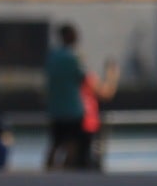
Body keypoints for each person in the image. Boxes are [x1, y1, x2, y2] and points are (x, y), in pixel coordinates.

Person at [43, 24, 119, 171]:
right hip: (73, 112)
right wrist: (112, 76)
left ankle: (47, 176)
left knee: (55, 144)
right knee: (73, 146)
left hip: (55, 110)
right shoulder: (74, 59)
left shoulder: (52, 57)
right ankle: (67, 175)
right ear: (72, 37)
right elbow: (93, 85)